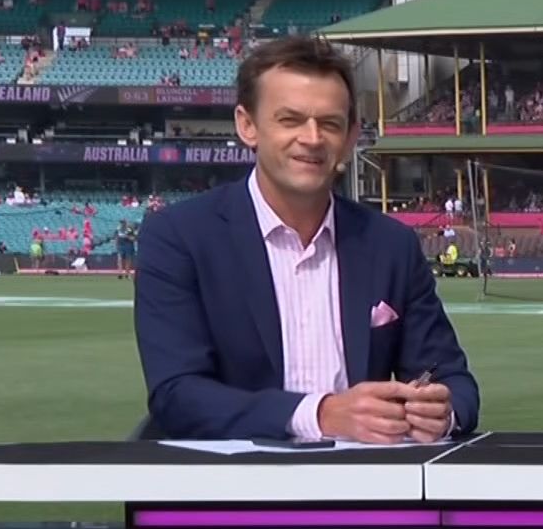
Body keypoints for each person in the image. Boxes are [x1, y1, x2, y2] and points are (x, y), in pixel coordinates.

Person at [134, 36, 477, 442]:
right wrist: (320, 414)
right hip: (232, 479)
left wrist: (441, 412)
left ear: (351, 136)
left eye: (329, 123)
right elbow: (177, 394)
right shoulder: (179, 237)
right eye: (290, 120)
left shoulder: (391, 244)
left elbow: (452, 380)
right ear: (247, 125)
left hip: (362, 477)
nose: (312, 138)